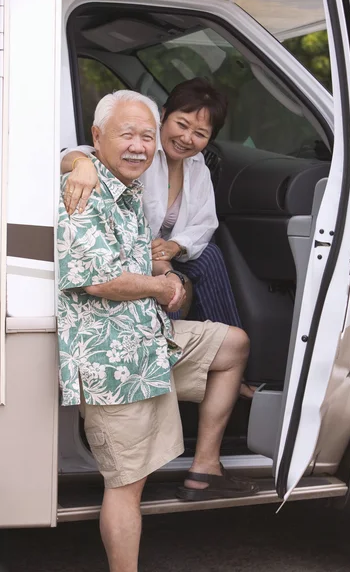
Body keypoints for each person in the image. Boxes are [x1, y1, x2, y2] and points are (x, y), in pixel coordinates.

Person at [57, 90, 258, 572]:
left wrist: (167, 276)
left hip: (149, 339)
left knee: (232, 343)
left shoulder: (128, 194)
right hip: (113, 358)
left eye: (146, 136)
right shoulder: (84, 189)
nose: (140, 146)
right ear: (96, 139)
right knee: (126, 486)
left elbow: (188, 240)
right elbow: (99, 278)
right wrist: (162, 285)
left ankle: (205, 465)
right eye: (128, 134)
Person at [61, 78, 255, 399]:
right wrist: (81, 165)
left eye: (200, 133)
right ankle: (166, 367)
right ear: (163, 115)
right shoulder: (140, 152)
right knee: (169, 280)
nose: (187, 138)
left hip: (168, 253)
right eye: (182, 124)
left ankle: (230, 365)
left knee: (210, 257)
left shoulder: (198, 168)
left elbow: (205, 224)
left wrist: (175, 246)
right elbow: (78, 154)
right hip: (136, 257)